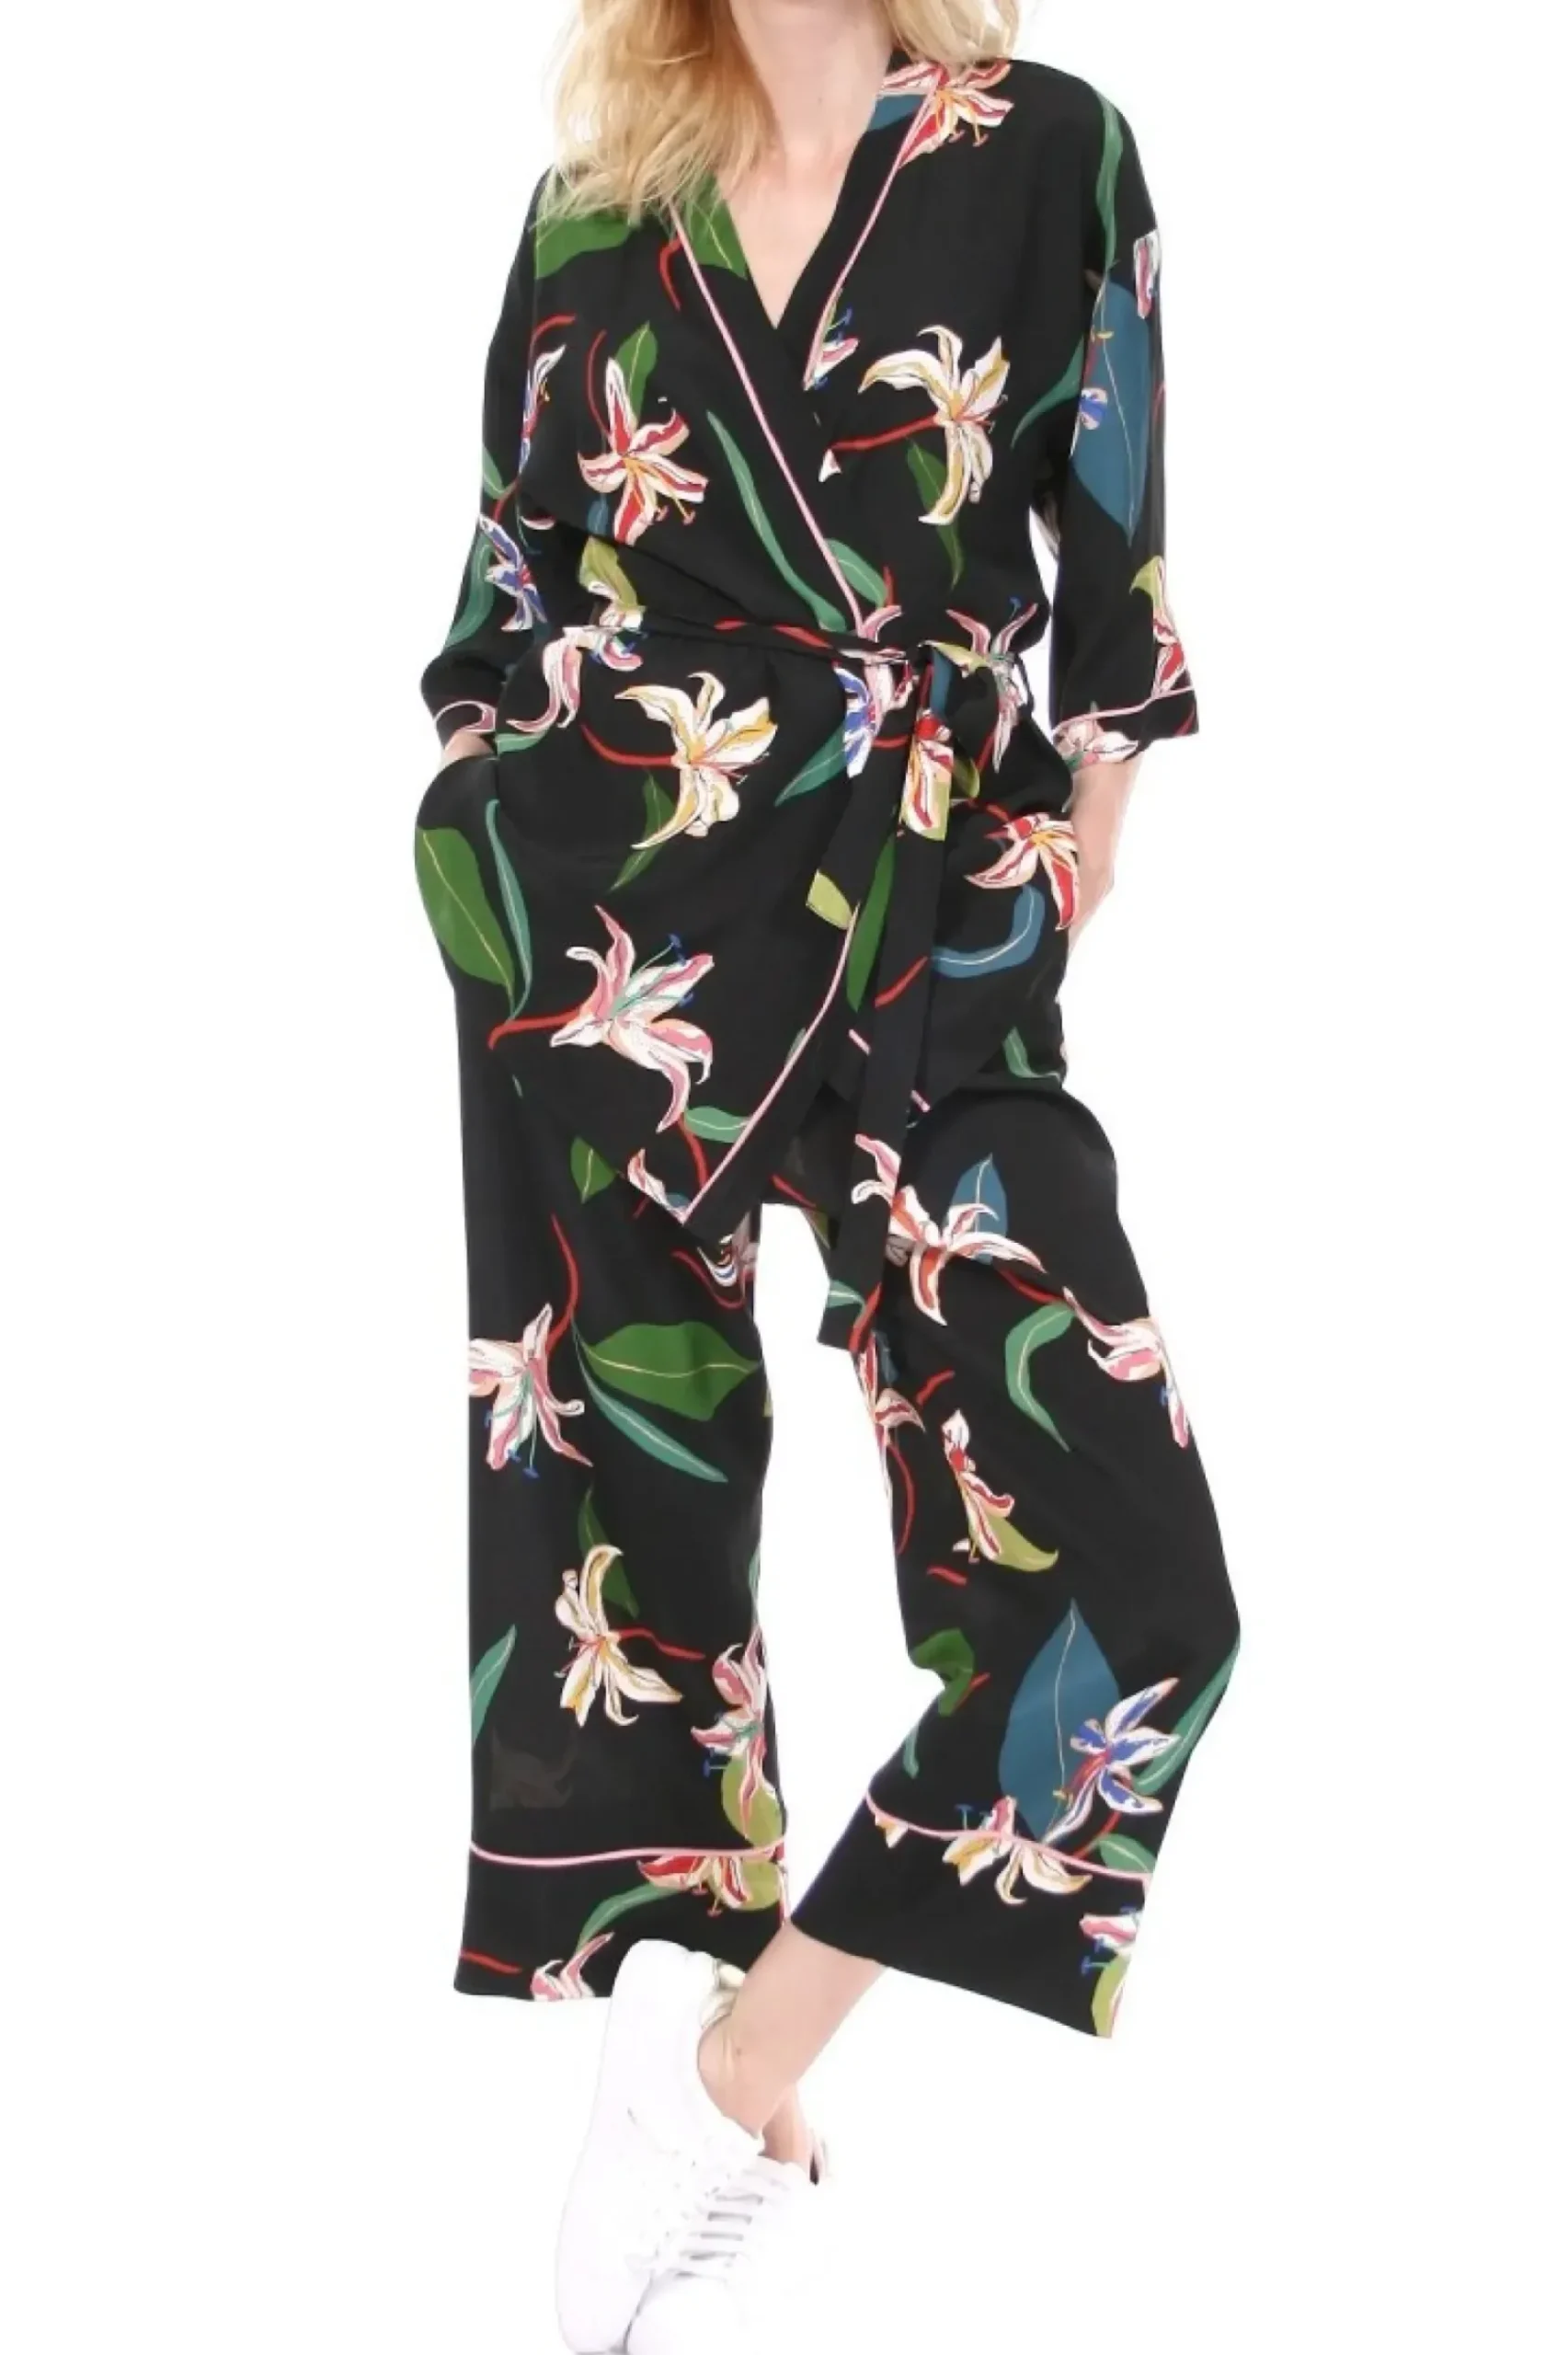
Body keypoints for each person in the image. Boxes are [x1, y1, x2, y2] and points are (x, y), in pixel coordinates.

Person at [414, 1, 1241, 2345]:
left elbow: (1114, 557)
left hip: (919, 933)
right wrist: (481, 832)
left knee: (1136, 1595)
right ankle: (702, 2089)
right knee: (632, 1508)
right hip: (614, 935)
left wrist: (1072, 843)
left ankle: (727, 2080)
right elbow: (510, 587)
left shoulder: (1044, 146)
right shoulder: (599, 207)